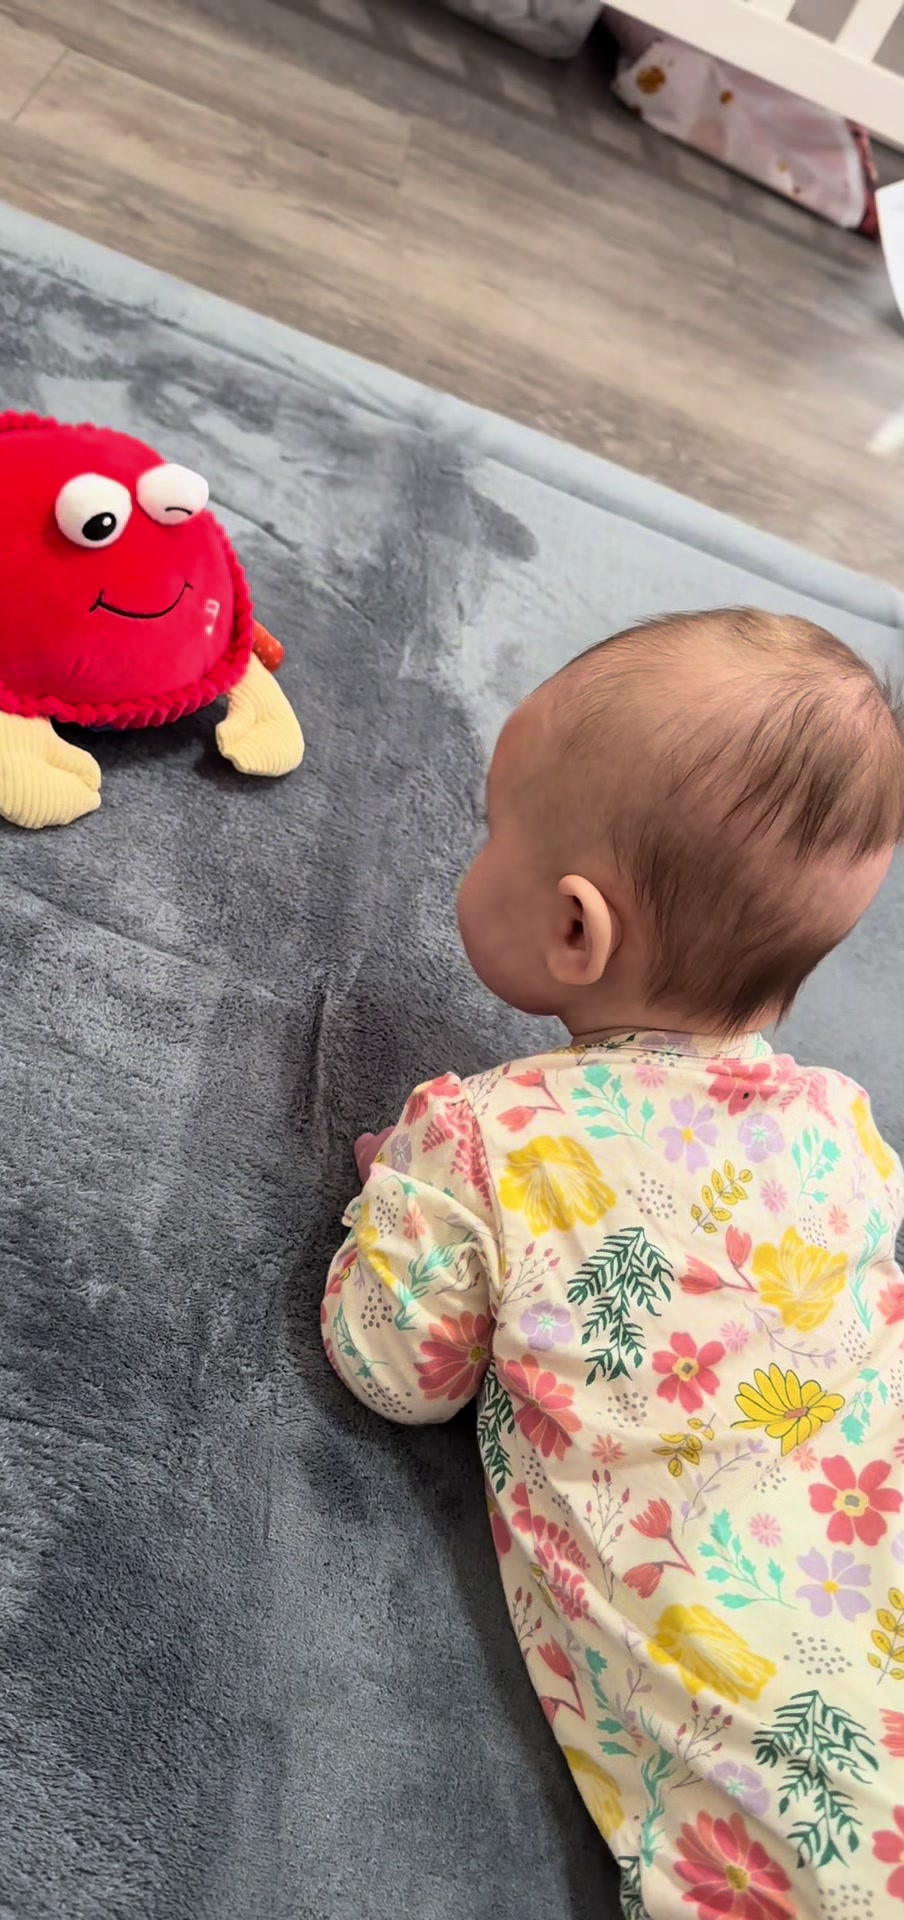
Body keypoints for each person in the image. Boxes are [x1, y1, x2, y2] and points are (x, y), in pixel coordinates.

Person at [322, 608, 904, 1920]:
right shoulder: (848, 1133)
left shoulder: (485, 1139)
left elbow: (394, 1369)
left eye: (490, 836)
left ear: (578, 934)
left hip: (777, 1812)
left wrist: (394, 1213)